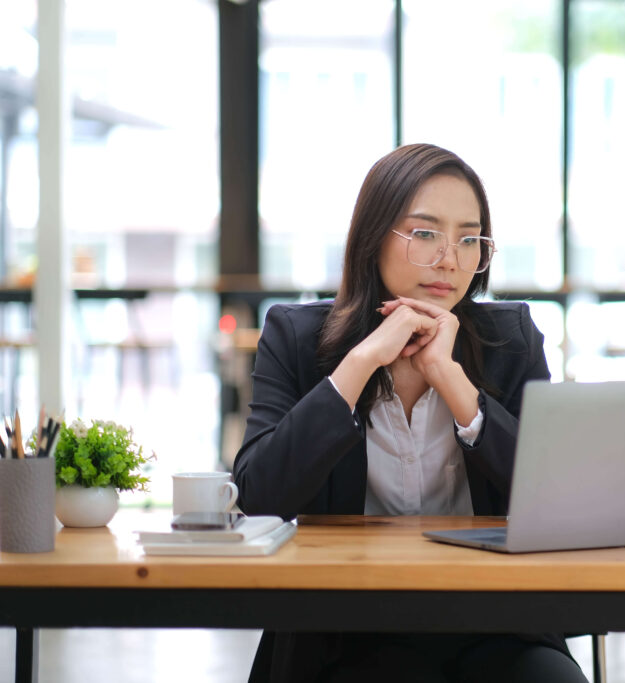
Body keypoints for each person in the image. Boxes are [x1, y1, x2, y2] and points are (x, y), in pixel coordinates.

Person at [233, 143, 589, 683]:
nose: (450, 259)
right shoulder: (296, 337)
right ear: (374, 237)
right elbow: (259, 495)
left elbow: (554, 500)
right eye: (425, 233)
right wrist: (360, 364)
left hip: (495, 621)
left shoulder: (509, 339)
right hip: (346, 627)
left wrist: (451, 378)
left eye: (470, 239)